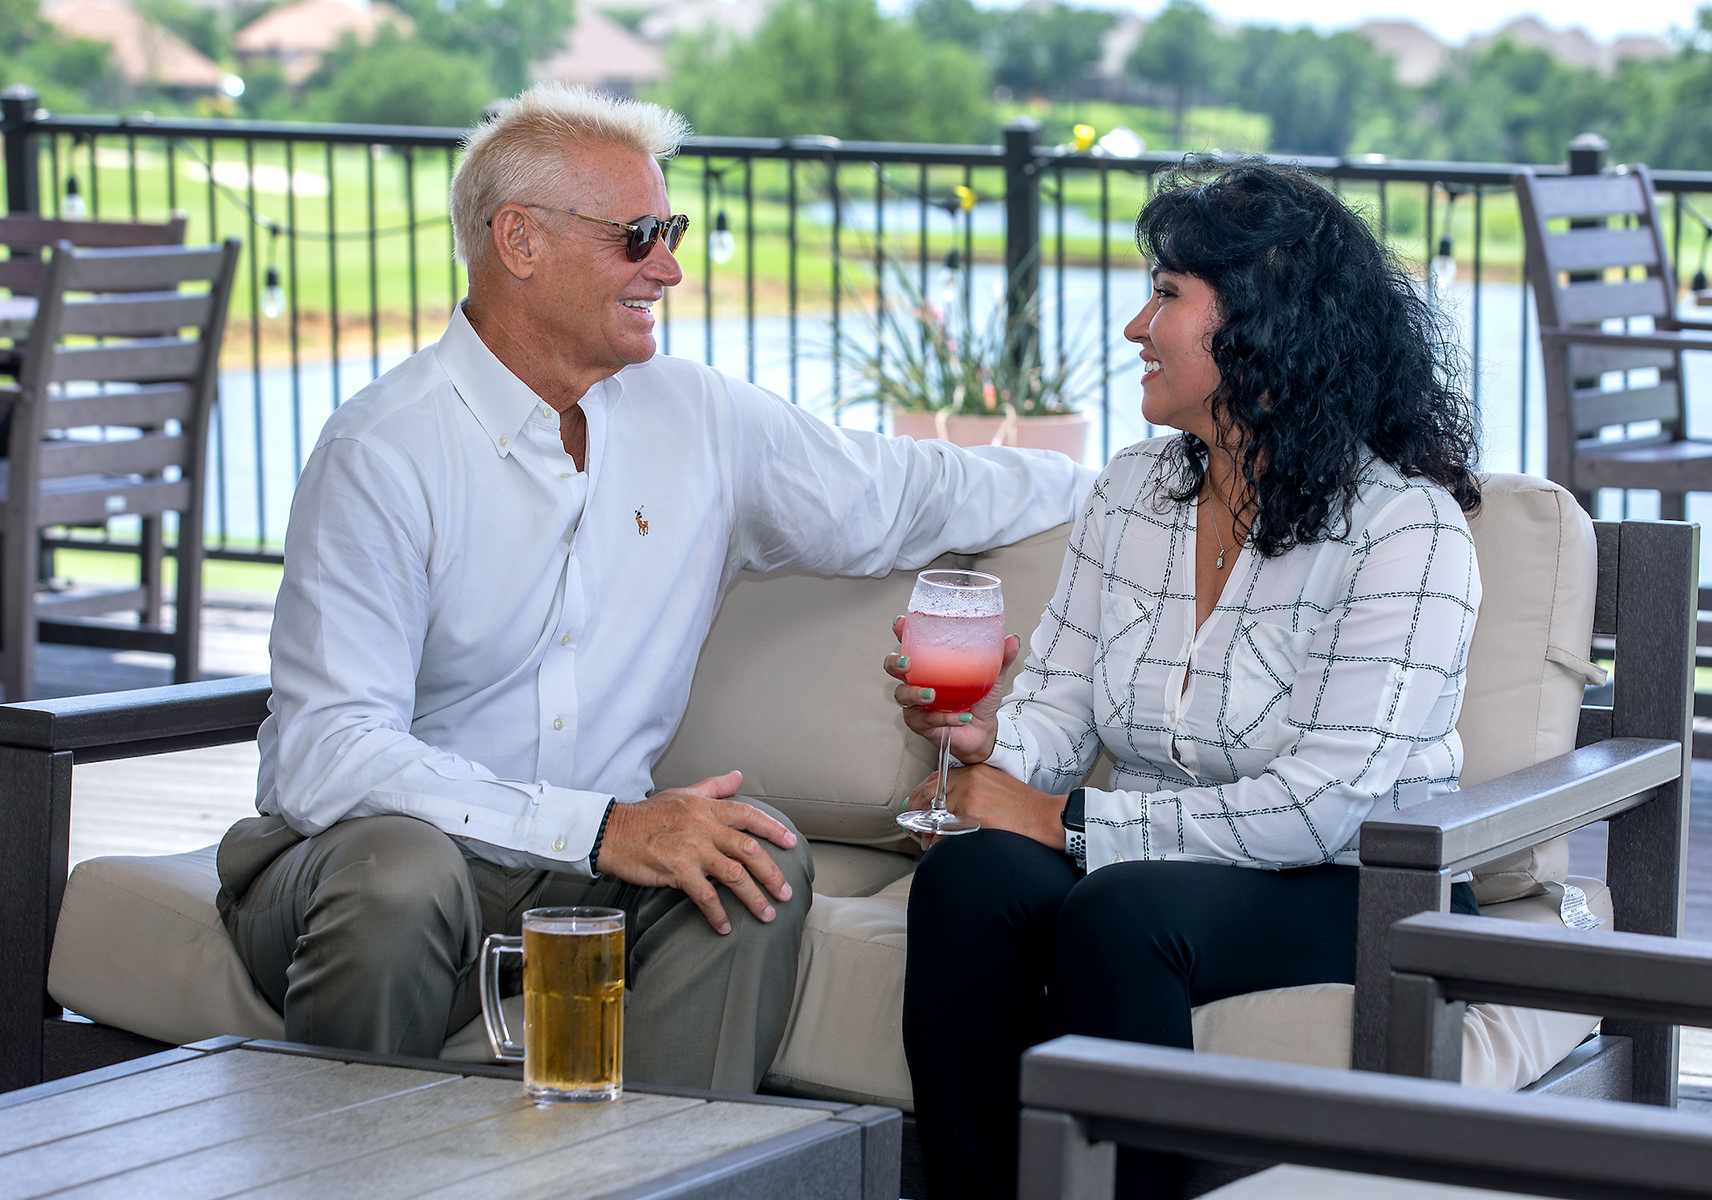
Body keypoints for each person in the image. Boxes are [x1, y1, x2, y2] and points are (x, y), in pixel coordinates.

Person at [213, 83, 1091, 1094]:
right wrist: (600, 829)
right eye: (638, 236)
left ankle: (660, 1161)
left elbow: (914, 489)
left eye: (668, 232)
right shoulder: (383, 449)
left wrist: (1145, 486)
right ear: (519, 240)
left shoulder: (699, 420)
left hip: (586, 877)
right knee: (402, 876)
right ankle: (346, 1158)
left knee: (755, 859)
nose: (668, 267)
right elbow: (328, 755)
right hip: (370, 869)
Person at [886, 157, 1484, 1198]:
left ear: (1264, 324)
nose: (1136, 327)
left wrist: (1068, 824)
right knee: (968, 883)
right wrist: (994, 748)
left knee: (1120, 911)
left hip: (1358, 880)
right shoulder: (1133, 490)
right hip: (1153, 861)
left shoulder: (1406, 528)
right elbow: (1061, 700)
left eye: (1166, 295)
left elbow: (1324, 805)